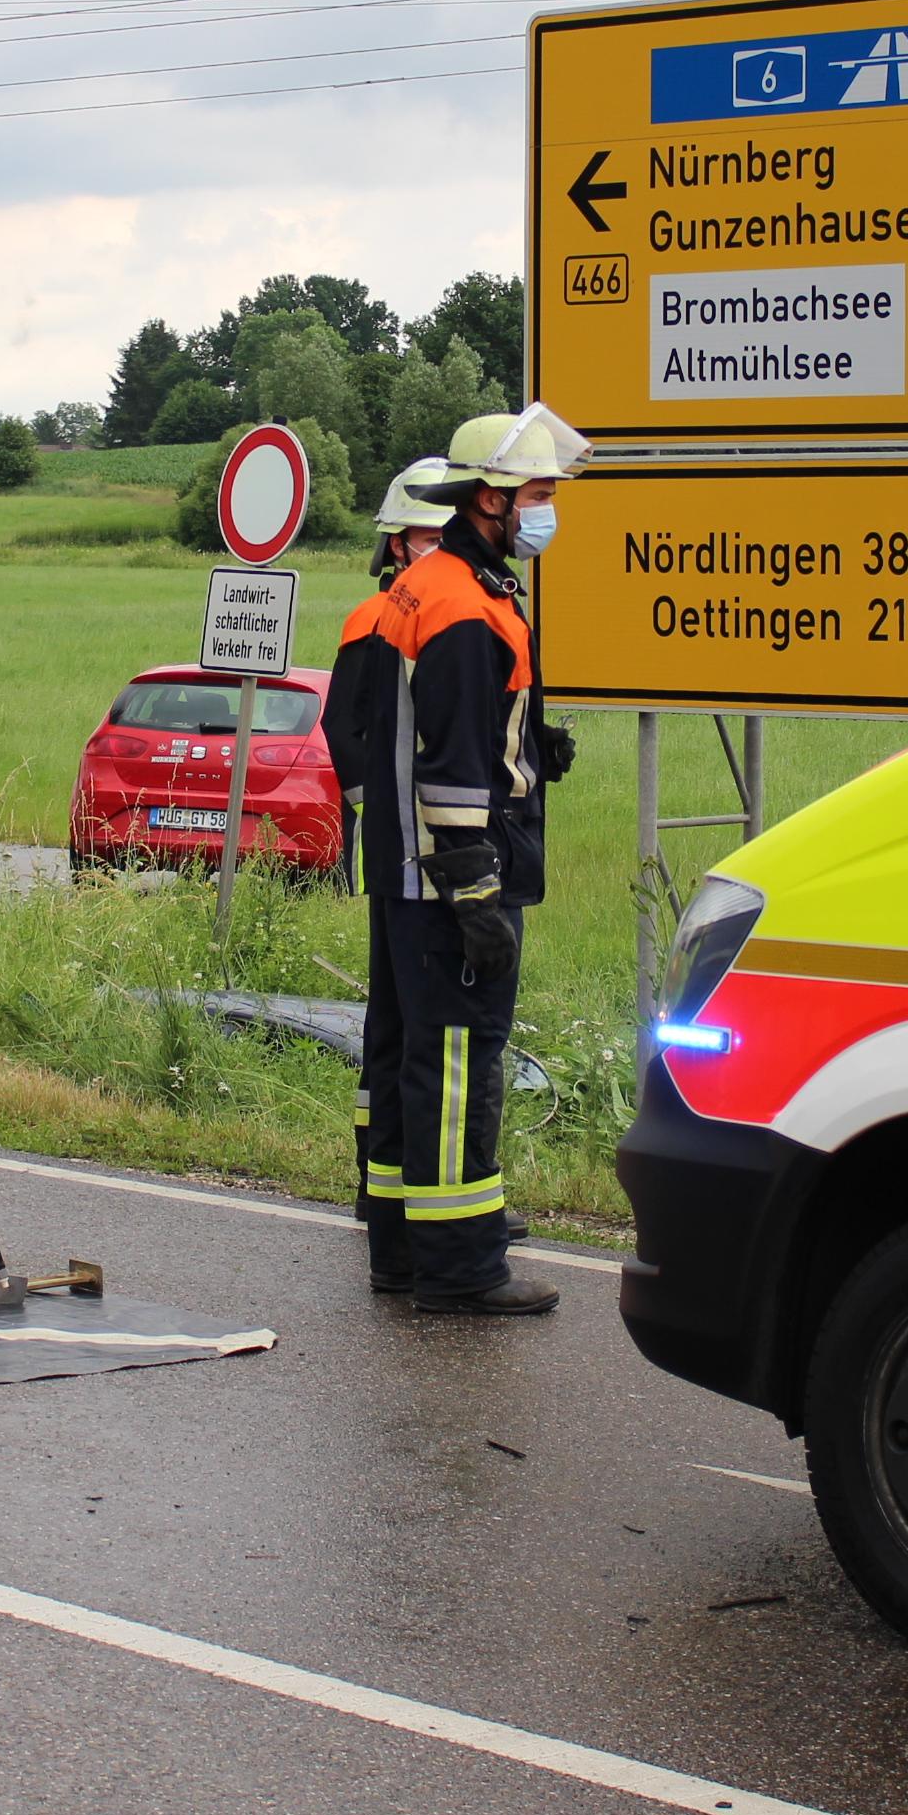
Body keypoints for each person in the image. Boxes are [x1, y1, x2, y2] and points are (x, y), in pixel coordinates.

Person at [365, 404, 592, 1315]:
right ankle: (461, 1268)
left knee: (408, 1055)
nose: (548, 512)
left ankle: (402, 1253)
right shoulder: (465, 603)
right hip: (446, 878)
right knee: (459, 1060)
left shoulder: (434, 584)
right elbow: (452, 764)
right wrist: (477, 892)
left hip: (402, 870)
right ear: (492, 499)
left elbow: (437, 731)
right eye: (540, 494)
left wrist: (533, 746)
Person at [324, 458, 456, 1293]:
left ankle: (389, 1196)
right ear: (394, 542)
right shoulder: (378, 620)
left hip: (402, 849)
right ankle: (399, 1204)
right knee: (410, 1034)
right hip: (408, 854)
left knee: (396, 1027)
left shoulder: (437, 610)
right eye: (423, 534)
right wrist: (394, 814)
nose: (435, 546)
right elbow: (349, 737)